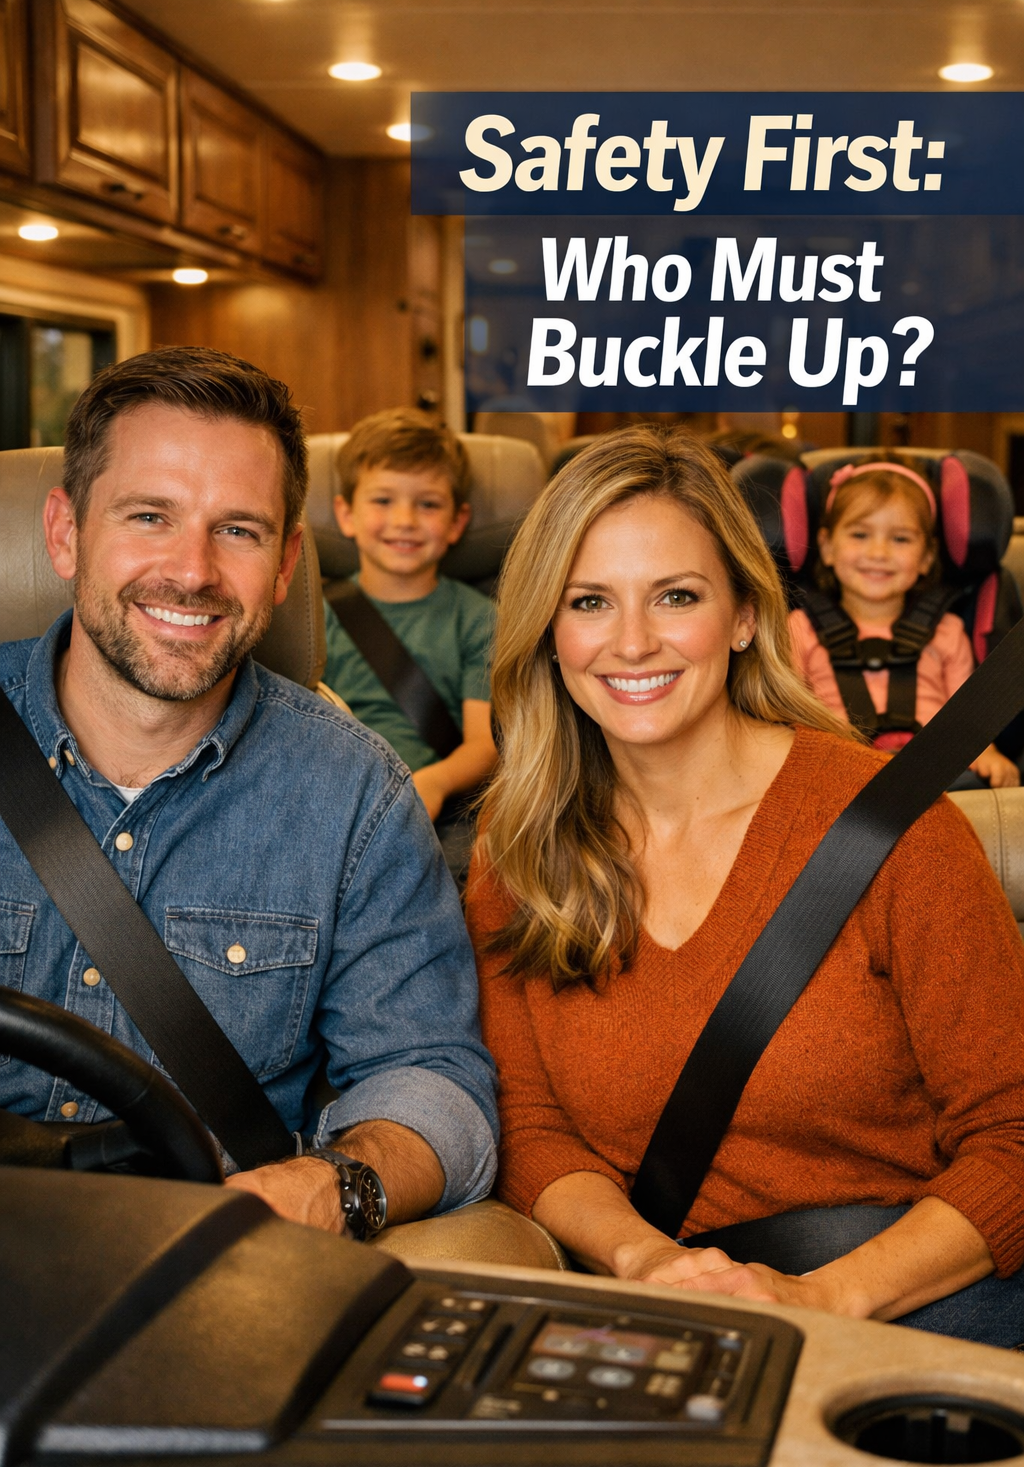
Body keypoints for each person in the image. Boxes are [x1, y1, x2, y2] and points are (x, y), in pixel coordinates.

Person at [466, 426, 1024, 1346]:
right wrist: (644, 1262)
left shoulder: (898, 833)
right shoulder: (517, 847)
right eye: (590, 601)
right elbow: (527, 1121)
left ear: (745, 617)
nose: (632, 642)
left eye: (676, 596)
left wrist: (825, 1301)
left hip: (903, 1311)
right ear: (547, 631)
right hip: (659, 1307)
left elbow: (1012, 1133)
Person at [0, 347, 497, 1239]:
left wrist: (339, 1184)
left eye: (238, 529)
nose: (192, 571)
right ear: (66, 532)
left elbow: (433, 1077)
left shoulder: (357, 797)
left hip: (208, 1264)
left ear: (284, 562)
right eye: (150, 516)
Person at [321, 409, 498, 873]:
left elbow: (485, 744)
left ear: (458, 522)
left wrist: (436, 784)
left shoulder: (478, 618)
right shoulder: (312, 616)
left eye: (428, 504)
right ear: (346, 514)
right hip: (338, 803)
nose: (404, 520)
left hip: (442, 810)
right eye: (382, 500)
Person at [788, 458, 1019, 786]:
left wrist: (988, 756)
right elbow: (782, 717)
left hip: (937, 781)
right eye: (859, 534)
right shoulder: (797, 629)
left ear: (926, 556)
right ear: (826, 547)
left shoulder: (947, 630)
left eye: (900, 539)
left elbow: (967, 719)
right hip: (835, 779)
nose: (879, 552)